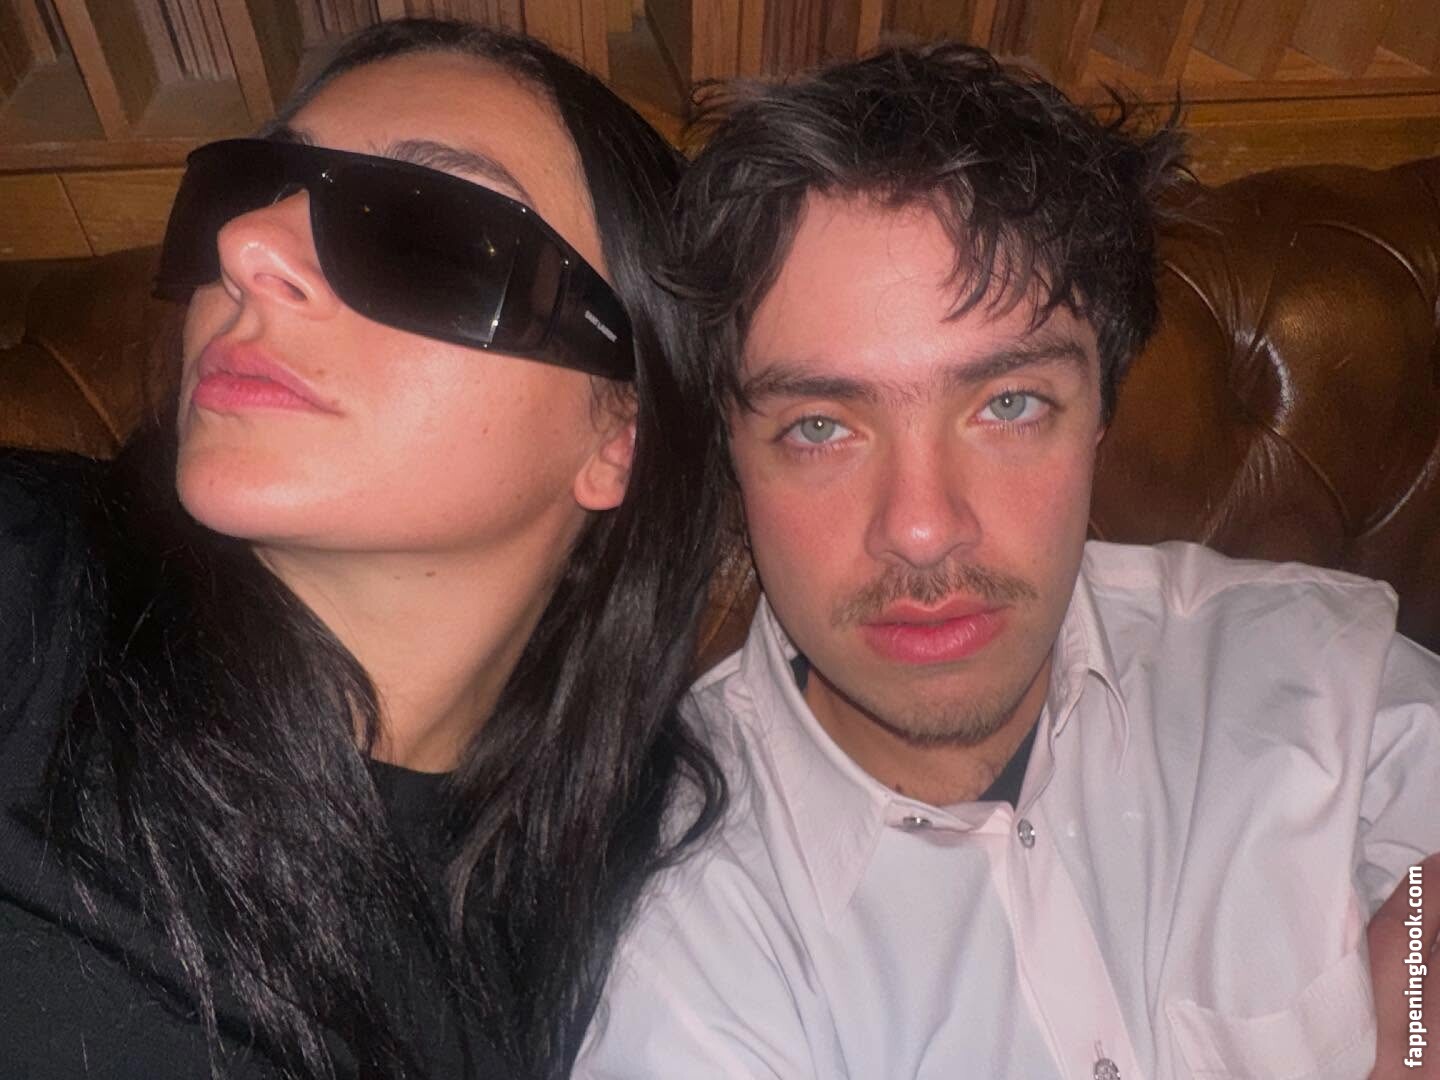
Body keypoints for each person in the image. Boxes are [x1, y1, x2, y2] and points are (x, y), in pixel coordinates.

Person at [576, 43, 1440, 1079]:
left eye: (1009, 405)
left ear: (1101, 417)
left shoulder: (1322, 677)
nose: (923, 529)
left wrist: (1413, 1004)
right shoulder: (675, 936)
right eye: (820, 426)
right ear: (732, 457)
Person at [0, 17, 725, 1080]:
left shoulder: (645, 922)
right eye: (248, 191)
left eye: (425, 233)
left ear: (621, 433)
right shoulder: (28, 586)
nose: (248, 247)